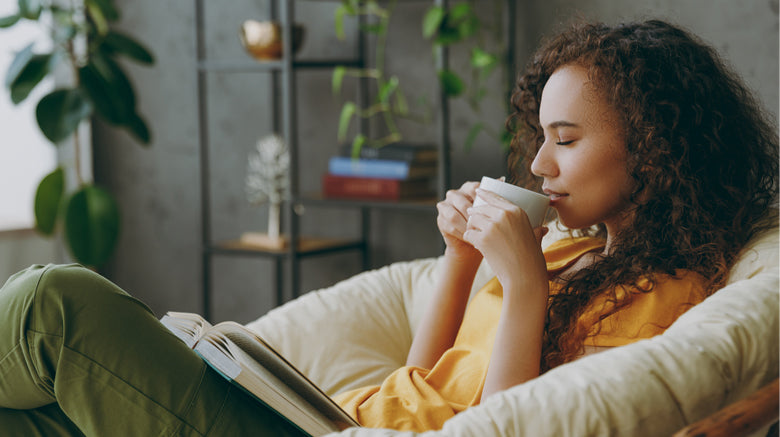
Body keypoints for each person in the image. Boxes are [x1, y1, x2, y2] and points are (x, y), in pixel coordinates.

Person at [0, 19, 777, 436]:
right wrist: (462, 261)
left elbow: (511, 426)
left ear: (653, 149)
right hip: (338, 417)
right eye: (540, 135)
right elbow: (420, 374)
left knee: (54, 301)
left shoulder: (661, 295)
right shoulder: (572, 247)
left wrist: (526, 286)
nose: (538, 163)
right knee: (30, 415)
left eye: (566, 140)